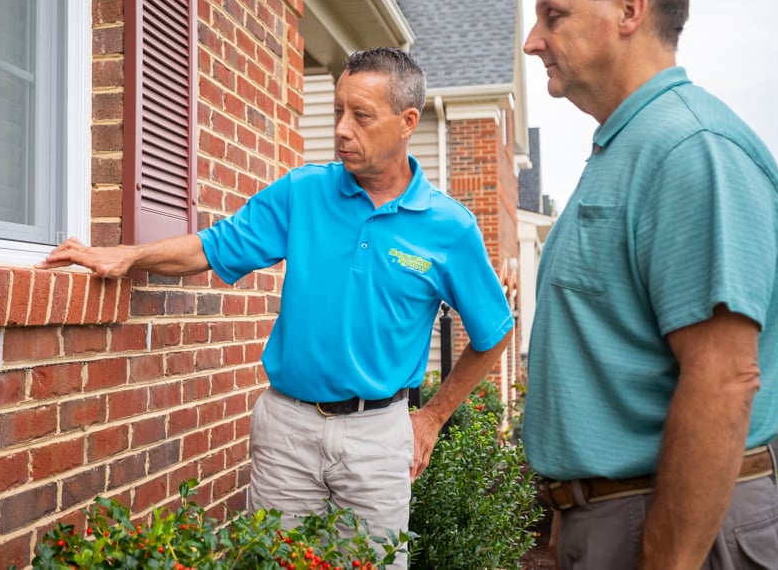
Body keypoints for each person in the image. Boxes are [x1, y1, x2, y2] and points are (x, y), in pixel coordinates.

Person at [38, 47, 515, 569]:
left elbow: (493, 332)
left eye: (360, 115)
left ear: (406, 123)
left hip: (379, 437)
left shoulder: (449, 228)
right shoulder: (303, 193)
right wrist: (127, 256)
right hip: (287, 429)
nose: (341, 129)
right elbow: (210, 247)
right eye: (337, 110)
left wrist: (431, 419)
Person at [521, 0, 778, 569]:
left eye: (552, 16)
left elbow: (723, 378)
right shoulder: (627, 147)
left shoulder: (691, 149)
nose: (534, 42)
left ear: (629, 10)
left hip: (677, 528)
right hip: (611, 519)